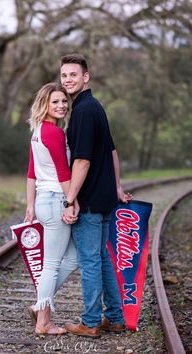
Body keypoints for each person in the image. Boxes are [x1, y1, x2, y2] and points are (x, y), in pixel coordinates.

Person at [60, 54, 132, 338]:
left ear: (85, 77)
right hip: (104, 199)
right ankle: (114, 318)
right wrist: (116, 187)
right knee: (102, 258)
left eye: (73, 75)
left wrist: (70, 199)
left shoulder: (83, 111)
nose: (68, 79)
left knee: (90, 260)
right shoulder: (94, 107)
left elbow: (82, 161)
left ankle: (90, 322)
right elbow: (112, 152)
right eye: (64, 75)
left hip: (89, 201)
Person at [24, 82, 78, 335]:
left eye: (64, 101)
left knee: (73, 257)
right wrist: (71, 201)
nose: (61, 106)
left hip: (45, 201)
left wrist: (30, 205)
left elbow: (32, 172)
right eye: (55, 101)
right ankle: (43, 322)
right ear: (44, 104)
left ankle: (41, 304)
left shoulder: (38, 131)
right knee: (52, 263)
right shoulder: (53, 133)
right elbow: (63, 171)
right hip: (57, 200)